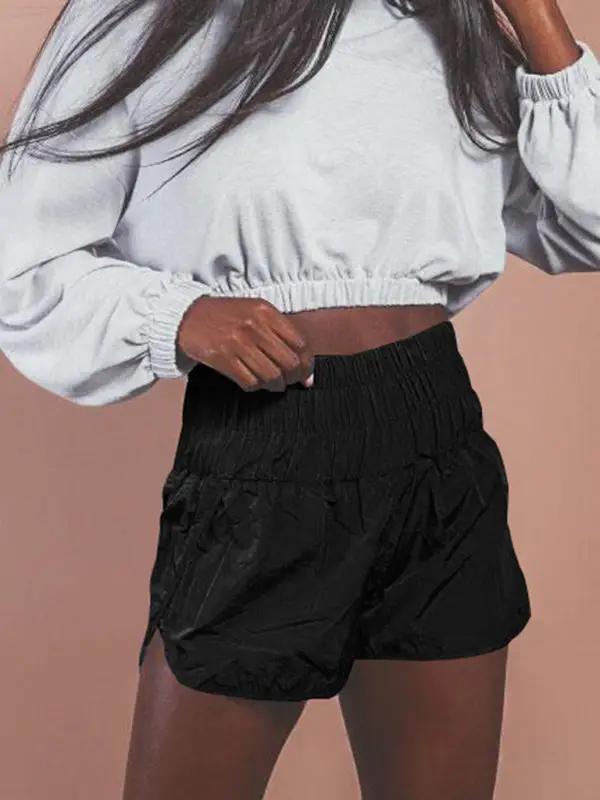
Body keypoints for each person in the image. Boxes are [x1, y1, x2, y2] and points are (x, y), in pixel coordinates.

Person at [0, 0, 598, 797]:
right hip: (268, 435)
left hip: (439, 443)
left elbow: (589, 224)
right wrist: (179, 316)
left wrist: (533, 15)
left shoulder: (444, 25)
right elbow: (21, 264)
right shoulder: (145, 18)